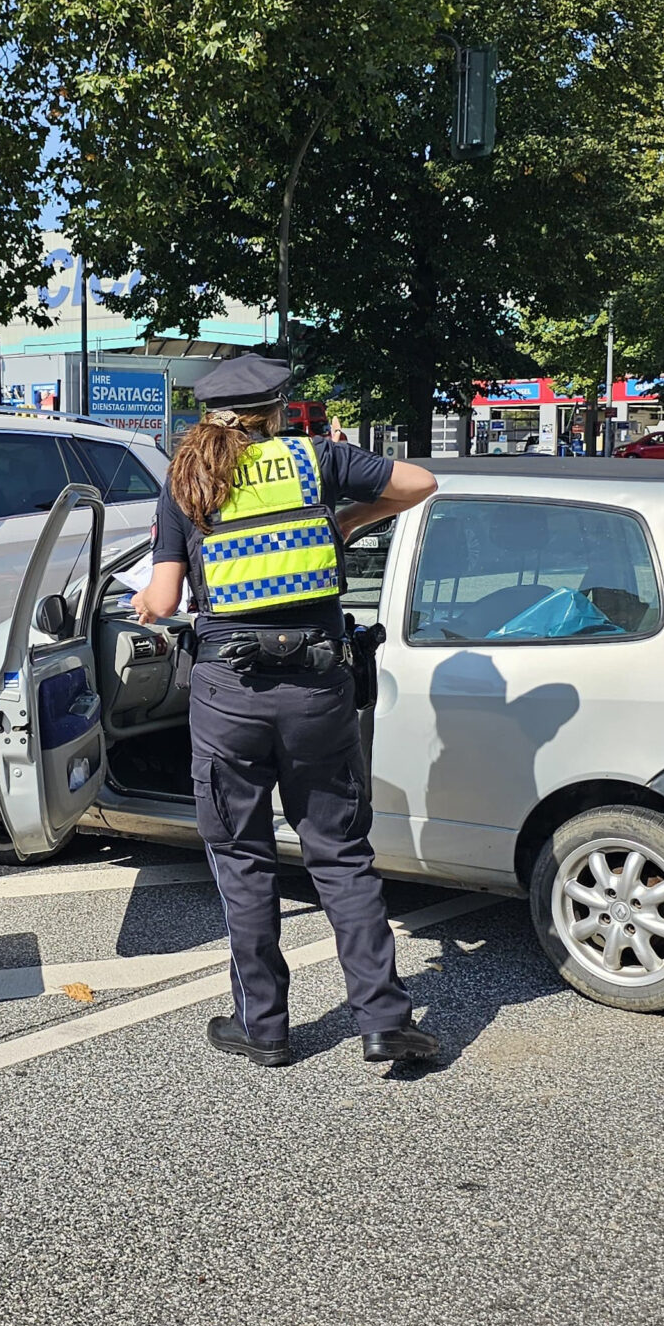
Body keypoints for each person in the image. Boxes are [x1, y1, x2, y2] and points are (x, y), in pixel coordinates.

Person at [130, 354, 439, 1067]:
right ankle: (385, 1018)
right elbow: (421, 482)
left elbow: (166, 596)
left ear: (209, 413)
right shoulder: (314, 460)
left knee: (242, 858)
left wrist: (144, 604)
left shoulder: (190, 481)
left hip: (228, 690)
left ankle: (263, 1028)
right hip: (317, 685)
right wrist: (352, 519)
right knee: (340, 855)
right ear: (276, 409)